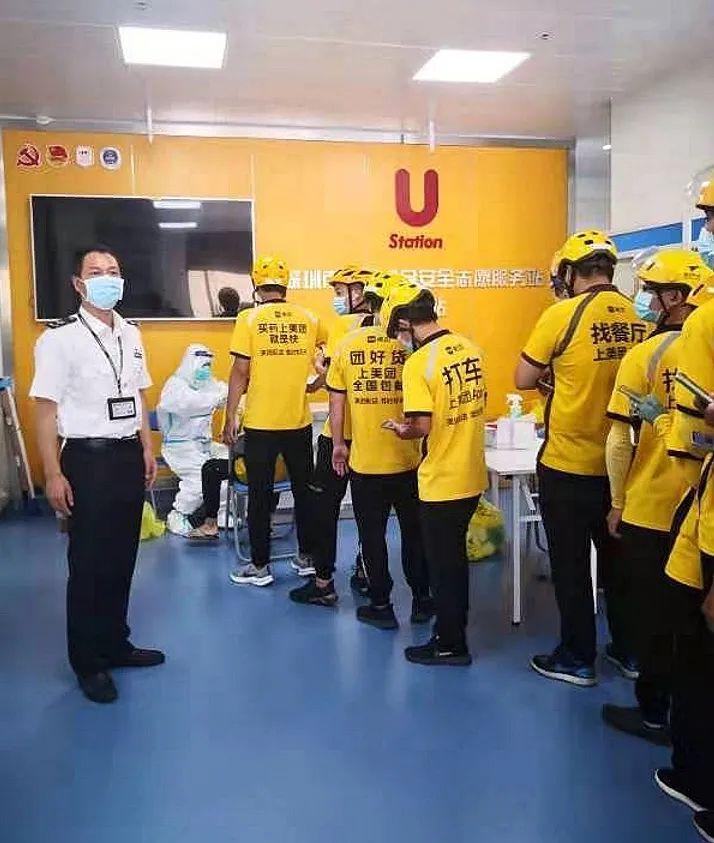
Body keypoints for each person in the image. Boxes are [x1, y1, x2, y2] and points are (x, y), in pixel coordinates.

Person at [30, 244, 164, 704]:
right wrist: (52, 474)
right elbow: (45, 411)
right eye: (95, 272)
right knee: (88, 564)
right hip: (86, 460)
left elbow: (138, 395)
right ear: (78, 284)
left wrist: (146, 448)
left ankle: (115, 643)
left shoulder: (131, 333)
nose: (107, 278)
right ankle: (87, 661)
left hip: (127, 456)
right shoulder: (58, 340)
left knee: (123, 556)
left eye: (113, 270)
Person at [515, 230, 647, 686]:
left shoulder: (562, 315)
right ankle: (630, 652)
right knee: (620, 568)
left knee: (571, 567)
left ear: (571, 273)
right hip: (624, 468)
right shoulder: (638, 315)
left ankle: (577, 657)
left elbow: (522, 377)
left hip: (569, 464)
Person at [600, 249, 711, 742]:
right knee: (689, 624)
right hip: (697, 507)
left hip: (650, 506)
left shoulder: (645, 355)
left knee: (653, 616)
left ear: (675, 297)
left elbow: (618, 440)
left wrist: (617, 502)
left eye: (650, 292)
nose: (643, 300)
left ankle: (652, 711)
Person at [291, 276, 433, 625]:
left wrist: (339, 443)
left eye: (341, 293)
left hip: (354, 447)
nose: (339, 299)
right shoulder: (412, 345)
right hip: (400, 446)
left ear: (366, 298)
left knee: (354, 522)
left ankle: (330, 584)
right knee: (411, 530)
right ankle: (420, 599)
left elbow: (335, 395)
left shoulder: (346, 335)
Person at [382, 283, 487, 666]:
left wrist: (402, 430)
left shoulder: (418, 364)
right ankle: (453, 632)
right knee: (454, 562)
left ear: (405, 323)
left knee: (444, 568)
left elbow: (422, 425)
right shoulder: (469, 348)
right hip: (472, 474)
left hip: (442, 479)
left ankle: (450, 644)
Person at [222, 254, 327, 586]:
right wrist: (314, 385)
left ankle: (260, 566)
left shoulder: (249, 319)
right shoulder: (310, 318)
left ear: (256, 284)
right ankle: (307, 557)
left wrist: (229, 417)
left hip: (260, 424)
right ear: (285, 285)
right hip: (298, 422)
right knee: (304, 491)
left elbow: (240, 372)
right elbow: (327, 363)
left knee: (260, 494)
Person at [651, 288, 714, 832]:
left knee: (694, 648)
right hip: (693, 516)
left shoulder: (699, 329)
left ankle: (697, 773)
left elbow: (687, 441)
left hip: (686, 514)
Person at [306, 265, 374, 597]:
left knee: (325, 508)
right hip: (372, 435)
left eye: (338, 293)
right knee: (369, 513)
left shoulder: (344, 327)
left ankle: (323, 582)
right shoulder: (386, 328)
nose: (335, 300)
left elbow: (333, 379)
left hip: (339, 434)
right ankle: (367, 571)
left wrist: (318, 370)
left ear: (357, 292)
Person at [157, 344, 228, 536]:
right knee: (200, 480)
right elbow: (191, 404)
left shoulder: (207, 384)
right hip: (180, 448)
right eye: (203, 365)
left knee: (230, 465)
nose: (206, 370)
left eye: (209, 365)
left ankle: (220, 514)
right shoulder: (175, 386)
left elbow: (224, 392)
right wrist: (217, 397)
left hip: (205, 445)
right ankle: (178, 515)